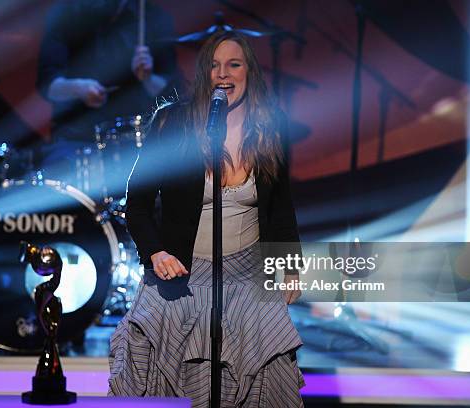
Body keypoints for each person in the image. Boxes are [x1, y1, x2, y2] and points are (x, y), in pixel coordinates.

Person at [108, 31, 305, 407]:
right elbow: (137, 204)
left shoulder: (269, 129)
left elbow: (281, 207)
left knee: (269, 363)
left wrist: (290, 266)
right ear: (204, 74)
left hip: (248, 274)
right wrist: (156, 253)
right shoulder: (172, 124)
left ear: (250, 71)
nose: (223, 73)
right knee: (171, 373)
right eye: (214, 66)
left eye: (233, 64)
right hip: (182, 273)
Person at [36, 0, 178, 197]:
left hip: (135, 138)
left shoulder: (151, 16)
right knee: (52, 186)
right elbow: (47, 86)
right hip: (77, 138)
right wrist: (78, 88)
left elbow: (169, 90)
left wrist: (147, 77)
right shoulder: (65, 12)